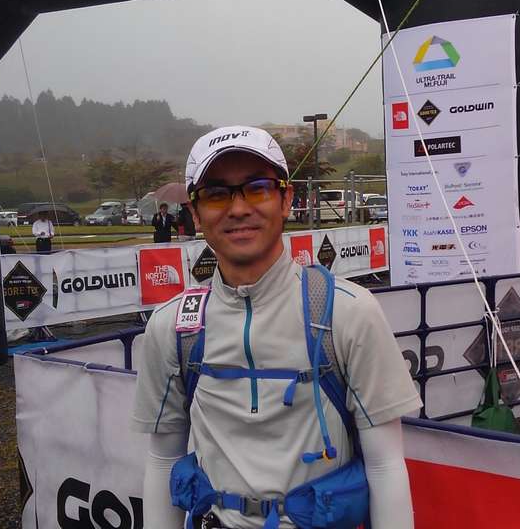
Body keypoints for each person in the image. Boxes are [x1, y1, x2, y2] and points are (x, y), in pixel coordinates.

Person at [131, 126, 421, 529]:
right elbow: (163, 460)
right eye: (216, 194)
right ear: (195, 213)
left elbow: (386, 465)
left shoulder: (349, 313)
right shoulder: (173, 327)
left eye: (258, 188)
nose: (238, 208)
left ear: (287, 200)